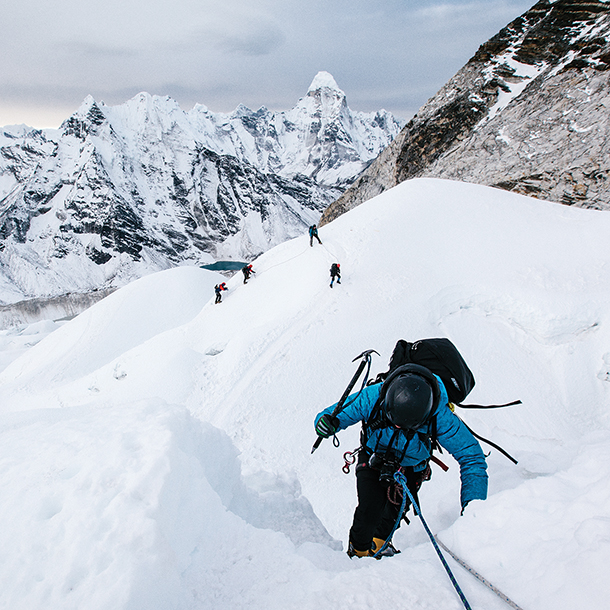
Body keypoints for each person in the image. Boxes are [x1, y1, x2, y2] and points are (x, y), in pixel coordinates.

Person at [314, 363, 488, 559]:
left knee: (389, 520)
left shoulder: (439, 416)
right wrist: (327, 423)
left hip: (410, 469)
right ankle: (358, 555)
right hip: (373, 456)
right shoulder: (373, 396)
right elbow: (332, 415)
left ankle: (377, 548)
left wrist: (474, 508)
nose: (397, 425)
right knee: (368, 511)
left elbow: (472, 458)